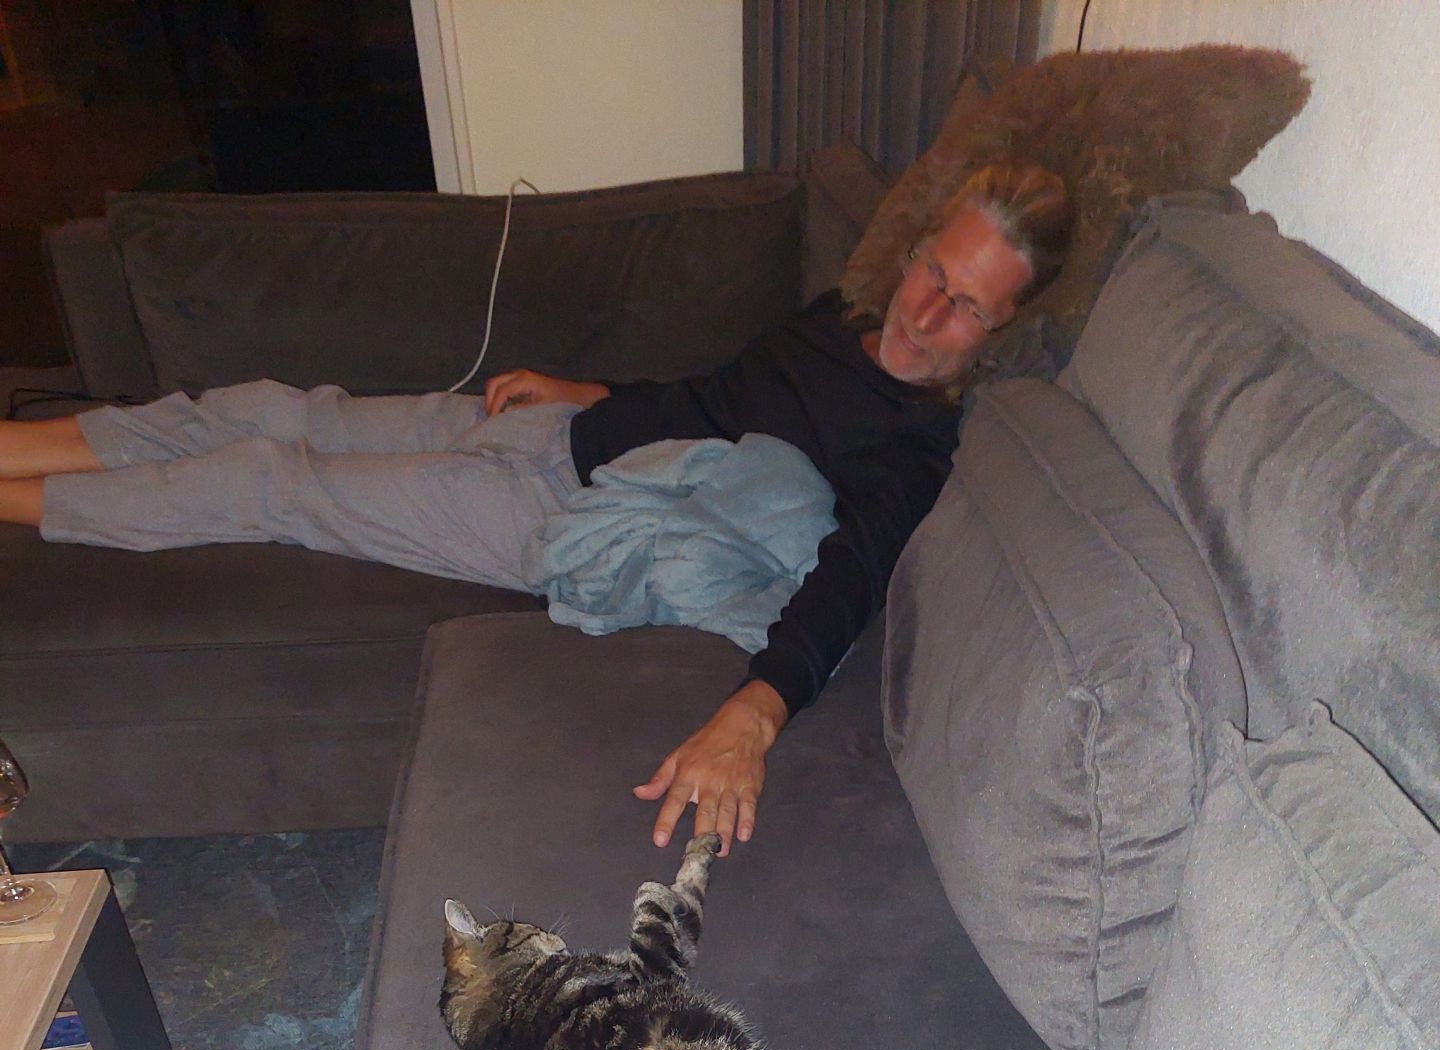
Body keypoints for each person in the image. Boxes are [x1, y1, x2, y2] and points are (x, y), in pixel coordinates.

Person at [0, 163, 1069, 854]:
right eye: (934, 271)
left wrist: (754, 713)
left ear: (1003, 334)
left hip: (566, 517)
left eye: (967, 308)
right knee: (275, 409)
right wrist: (586, 393)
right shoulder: (844, 314)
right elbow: (712, 399)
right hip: (563, 437)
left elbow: (851, 581)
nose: (925, 313)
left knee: (274, 481)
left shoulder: (913, 446)